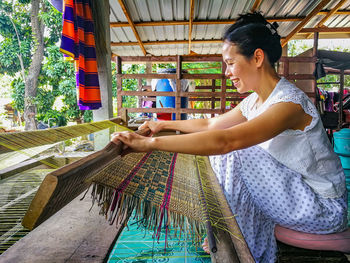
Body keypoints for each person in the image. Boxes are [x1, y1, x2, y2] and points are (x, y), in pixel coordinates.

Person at [111, 12, 348, 263]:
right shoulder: (256, 102)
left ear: (257, 57)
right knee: (231, 150)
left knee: (237, 152)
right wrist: (160, 125)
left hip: (323, 209)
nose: (227, 72)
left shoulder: (289, 104)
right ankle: (235, 233)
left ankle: (243, 247)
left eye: (231, 62)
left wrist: (150, 144)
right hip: (295, 198)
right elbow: (211, 123)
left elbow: (227, 142)